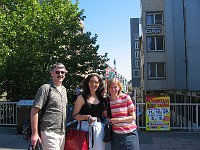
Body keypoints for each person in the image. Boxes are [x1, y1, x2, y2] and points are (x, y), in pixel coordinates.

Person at [30, 63, 68, 150]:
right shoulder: (45, 88)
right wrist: (34, 133)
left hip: (62, 133)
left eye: (63, 72)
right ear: (51, 73)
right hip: (48, 132)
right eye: (57, 72)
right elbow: (34, 111)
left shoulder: (64, 90)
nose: (60, 74)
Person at [73, 73, 106, 150]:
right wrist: (86, 117)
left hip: (99, 130)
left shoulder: (102, 98)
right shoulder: (81, 97)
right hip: (84, 129)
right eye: (91, 81)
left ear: (99, 84)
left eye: (96, 82)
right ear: (87, 83)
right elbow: (75, 115)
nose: (93, 84)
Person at [107, 78, 140, 150]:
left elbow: (133, 117)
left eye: (115, 87)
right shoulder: (107, 101)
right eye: (111, 87)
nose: (113, 89)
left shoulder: (126, 98)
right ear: (108, 88)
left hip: (129, 134)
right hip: (116, 135)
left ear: (119, 87)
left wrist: (117, 120)